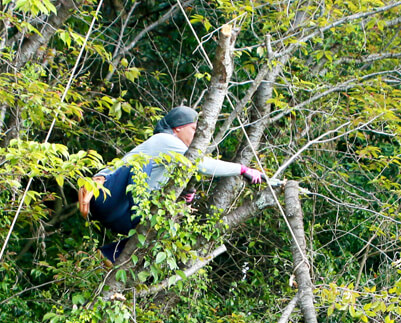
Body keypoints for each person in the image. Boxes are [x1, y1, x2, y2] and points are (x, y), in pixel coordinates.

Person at [78, 106, 263, 263]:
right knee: (141, 163)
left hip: (122, 214)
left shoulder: (171, 159)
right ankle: (139, 217)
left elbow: (155, 187)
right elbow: (203, 165)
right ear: (177, 129)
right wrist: (243, 169)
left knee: (165, 220)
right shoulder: (164, 140)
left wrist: (181, 198)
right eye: (193, 129)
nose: (196, 135)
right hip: (107, 198)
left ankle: (109, 255)